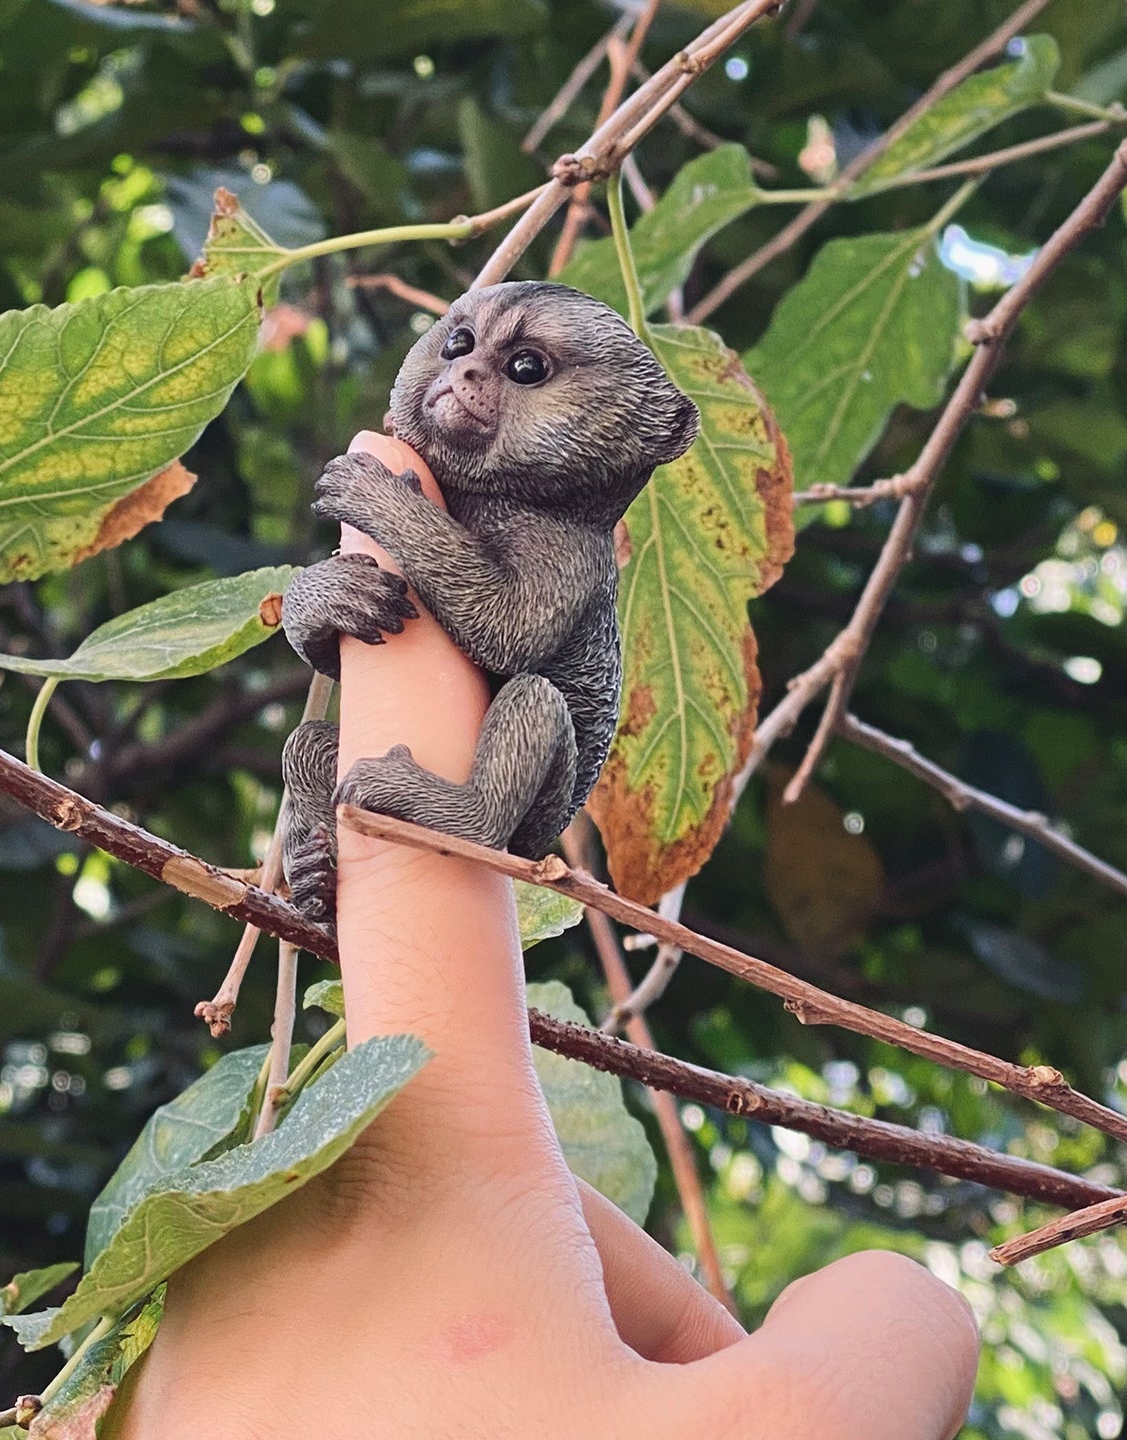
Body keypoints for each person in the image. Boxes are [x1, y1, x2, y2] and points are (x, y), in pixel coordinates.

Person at [120, 433, 980, 1439]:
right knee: (317, 749)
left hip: (503, 783)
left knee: (518, 703)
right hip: (397, 855)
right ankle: (331, 864)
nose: (473, 383)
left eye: (523, 365)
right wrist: (315, 603)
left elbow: (509, 628)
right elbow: (338, 644)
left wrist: (395, 518)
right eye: (464, 352)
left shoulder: (568, 544)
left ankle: (452, 815)